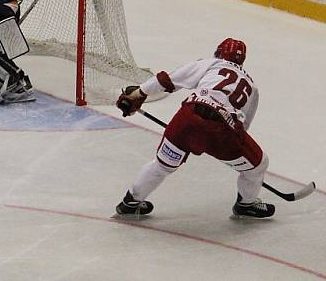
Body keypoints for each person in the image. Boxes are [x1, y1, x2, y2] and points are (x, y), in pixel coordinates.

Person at [115, 38, 274, 219]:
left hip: (187, 119)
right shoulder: (252, 87)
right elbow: (242, 128)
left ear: (219, 53)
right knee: (259, 164)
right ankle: (247, 204)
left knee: (161, 165)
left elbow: (168, 79)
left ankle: (130, 203)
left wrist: (138, 93)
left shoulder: (212, 63)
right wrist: (223, 149)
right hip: (222, 131)